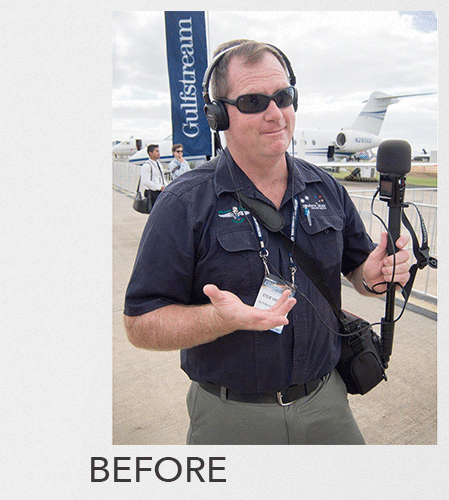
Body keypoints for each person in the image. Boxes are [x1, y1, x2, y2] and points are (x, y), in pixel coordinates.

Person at [123, 39, 412, 445]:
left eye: (283, 96)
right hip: (230, 416)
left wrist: (380, 271)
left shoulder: (326, 188)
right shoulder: (183, 203)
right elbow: (139, 325)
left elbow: (361, 274)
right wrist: (218, 319)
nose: (275, 113)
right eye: (254, 101)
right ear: (218, 115)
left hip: (326, 402)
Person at [139, 144, 166, 208]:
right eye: (156, 151)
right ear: (150, 153)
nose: (158, 153)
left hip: (160, 192)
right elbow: (145, 181)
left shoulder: (159, 164)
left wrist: (166, 186)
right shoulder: (146, 166)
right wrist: (159, 187)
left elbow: (162, 178)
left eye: (158, 151)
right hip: (152, 192)